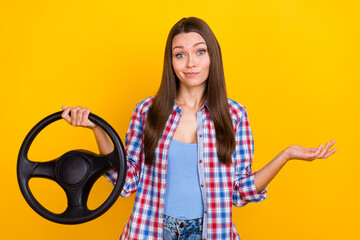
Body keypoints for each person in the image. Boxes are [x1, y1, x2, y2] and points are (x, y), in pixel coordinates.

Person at [61, 17, 337, 240]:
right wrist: (96, 129)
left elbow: (240, 191)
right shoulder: (147, 111)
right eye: (180, 55)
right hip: (151, 231)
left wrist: (285, 156)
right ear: (170, 62)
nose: (190, 62)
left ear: (211, 57)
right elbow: (126, 181)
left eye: (199, 52)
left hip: (210, 232)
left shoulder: (234, 115)